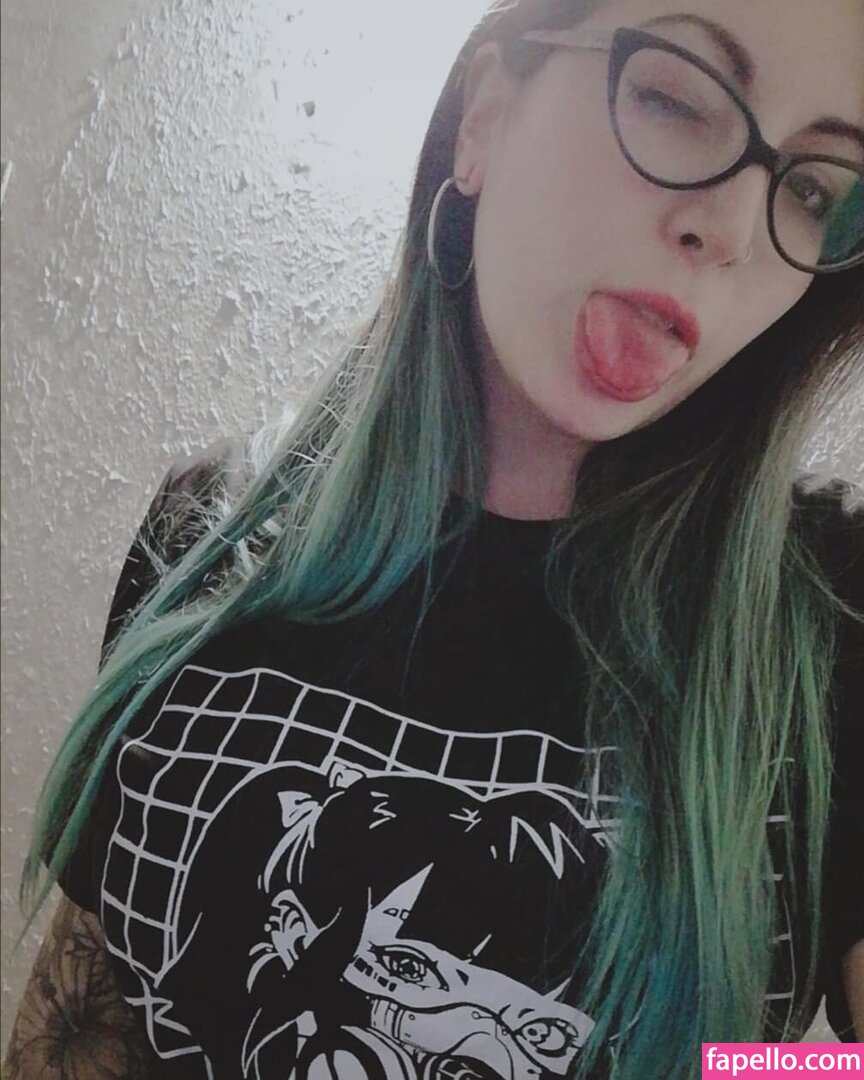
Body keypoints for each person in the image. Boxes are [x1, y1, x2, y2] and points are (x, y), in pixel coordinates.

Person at [5, 0, 863, 1076]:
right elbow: (84, 1023)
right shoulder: (207, 533)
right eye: (675, 101)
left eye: (815, 190)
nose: (733, 230)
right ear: (487, 116)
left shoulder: (834, 616)